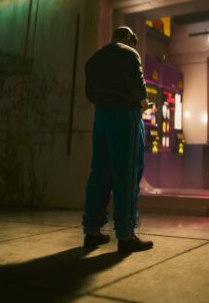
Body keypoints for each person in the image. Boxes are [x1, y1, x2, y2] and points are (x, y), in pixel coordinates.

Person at [82, 26, 154, 253]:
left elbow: (90, 94)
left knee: (99, 172)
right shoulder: (129, 53)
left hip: (101, 117)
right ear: (130, 38)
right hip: (125, 117)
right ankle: (125, 234)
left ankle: (92, 231)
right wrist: (144, 104)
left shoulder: (94, 59)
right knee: (126, 173)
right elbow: (139, 89)